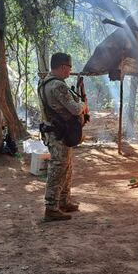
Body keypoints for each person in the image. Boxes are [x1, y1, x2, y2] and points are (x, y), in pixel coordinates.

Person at [38, 52, 88, 222]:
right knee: (58, 168)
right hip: (58, 133)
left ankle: (64, 201)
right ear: (61, 67)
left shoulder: (44, 82)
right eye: (68, 68)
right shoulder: (57, 85)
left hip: (57, 132)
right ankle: (51, 207)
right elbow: (74, 109)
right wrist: (83, 105)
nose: (69, 72)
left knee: (66, 167)